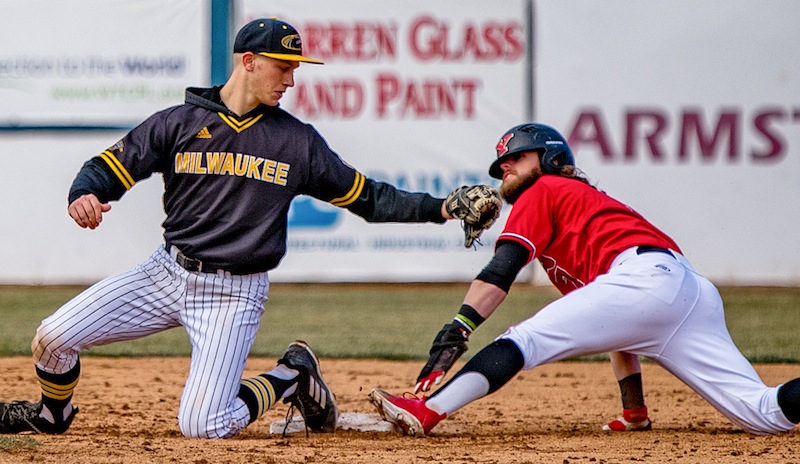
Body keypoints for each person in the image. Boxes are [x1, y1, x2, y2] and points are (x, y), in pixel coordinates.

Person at [0, 18, 500, 439]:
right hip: (165, 273)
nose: (291, 79)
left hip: (233, 294)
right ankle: (53, 414)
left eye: (295, 69)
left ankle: (291, 375)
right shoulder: (180, 122)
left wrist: (443, 208)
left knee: (204, 425)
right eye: (283, 67)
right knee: (53, 337)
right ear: (248, 61)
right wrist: (85, 193)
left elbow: (369, 198)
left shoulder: (297, 142)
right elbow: (110, 165)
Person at [369, 122, 800, 436]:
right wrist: (634, 412)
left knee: (524, 341)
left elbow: (503, 267)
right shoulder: (584, 205)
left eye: (517, 156)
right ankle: (637, 417)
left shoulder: (544, 190)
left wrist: (460, 326)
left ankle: (427, 411)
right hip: (687, 289)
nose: (506, 168)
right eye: (502, 164)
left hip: (645, 279)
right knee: (762, 413)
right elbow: (617, 327)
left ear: (552, 160)